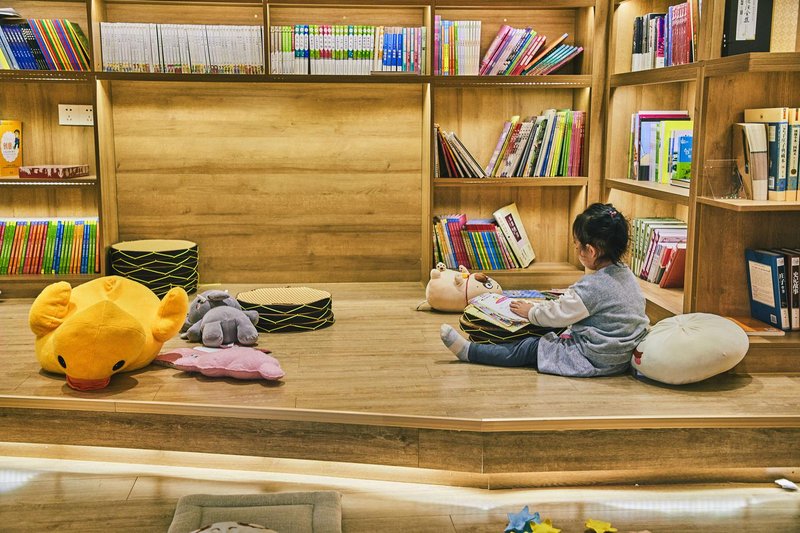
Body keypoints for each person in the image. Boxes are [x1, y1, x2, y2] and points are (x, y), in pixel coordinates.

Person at [440, 203, 649, 377]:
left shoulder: (592, 287)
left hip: (595, 357)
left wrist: (530, 311)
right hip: (621, 356)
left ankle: (470, 352)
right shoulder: (627, 275)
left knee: (529, 347)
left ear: (591, 251)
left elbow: (558, 314)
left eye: (577, 245)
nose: (575, 249)